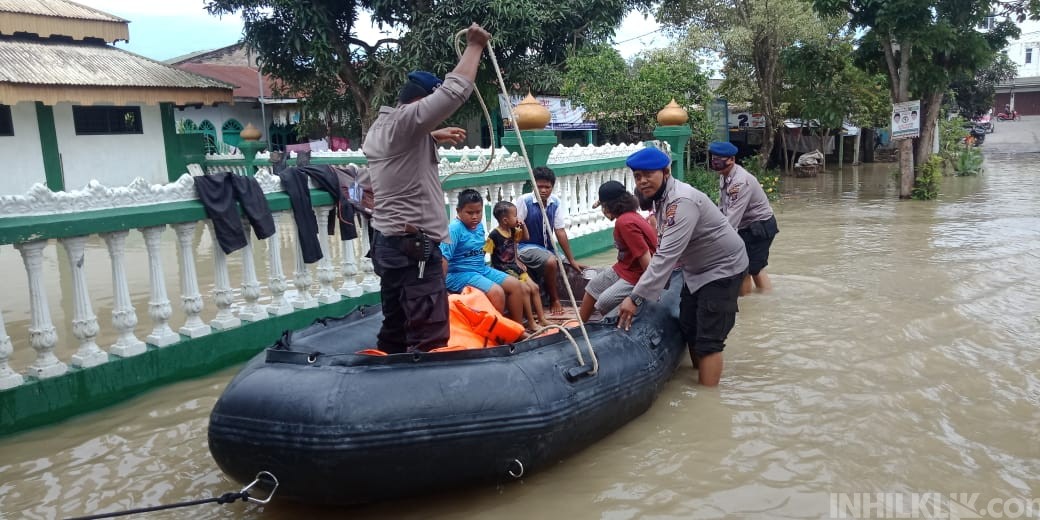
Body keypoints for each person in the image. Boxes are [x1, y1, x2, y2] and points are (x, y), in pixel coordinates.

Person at [362, 23, 490, 353]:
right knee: (429, 335)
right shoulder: (406, 122)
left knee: (396, 326)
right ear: (422, 101)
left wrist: (432, 135)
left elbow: (398, 152)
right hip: (413, 249)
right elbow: (455, 91)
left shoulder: (384, 124)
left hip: (390, 244)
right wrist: (474, 46)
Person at [616, 147, 748, 387]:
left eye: (648, 174)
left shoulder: (681, 201)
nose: (642, 181)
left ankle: (707, 402)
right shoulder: (662, 198)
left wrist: (635, 298)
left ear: (666, 172)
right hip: (696, 269)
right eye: (637, 176)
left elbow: (665, 255)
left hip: (722, 268)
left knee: (709, 340)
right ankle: (700, 376)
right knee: (689, 324)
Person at [441, 189, 526, 323]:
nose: (475, 216)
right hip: (460, 273)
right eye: (470, 213)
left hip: (481, 269)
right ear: (458, 211)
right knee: (496, 292)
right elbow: (443, 258)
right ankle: (495, 334)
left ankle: (516, 328)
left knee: (515, 285)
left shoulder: (479, 226)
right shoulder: (454, 229)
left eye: (478, 212)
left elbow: (483, 250)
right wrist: (441, 287)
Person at [579, 181, 657, 323]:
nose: (603, 210)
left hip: (637, 274)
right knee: (593, 287)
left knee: (604, 302)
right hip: (624, 267)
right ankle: (579, 327)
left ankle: (614, 328)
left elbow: (647, 263)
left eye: (603, 206)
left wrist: (638, 295)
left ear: (610, 206)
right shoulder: (629, 215)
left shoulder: (625, 223)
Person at [513, 166, 588, 315]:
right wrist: (515, 257)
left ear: (552, 187)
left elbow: (560, 231)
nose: (543, 190)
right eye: (539, 186)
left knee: (573, 266)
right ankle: (555, 299)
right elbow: (515, 229)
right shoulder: (524, 201)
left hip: (547, 249)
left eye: (547, 187)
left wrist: (571, 259)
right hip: (526, 247)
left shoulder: (555, 202)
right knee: (551, 261)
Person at [709, 141, 779, 296]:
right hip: (746, 227)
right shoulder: (725, 175)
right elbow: (722, 208)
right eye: (714, 159)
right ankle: (758, 299)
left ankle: (753, 304)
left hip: (759, 227)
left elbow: (731, 219)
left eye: (720, 160)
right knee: (750, 268)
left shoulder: (740, 182)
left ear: (732, 160)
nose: (716, 163)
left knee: (749, 269)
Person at [485, 200, 550, 332]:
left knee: (534, 287)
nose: (517, 218)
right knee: (525, 290)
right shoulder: (494, 235)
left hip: (515, 266)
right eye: (514, 216)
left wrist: (523, 225)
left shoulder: (513, 230)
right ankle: (531, 322)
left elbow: (525, 237)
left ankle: (542, 318)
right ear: (504, 220)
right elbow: (486, 253)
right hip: (503, 269)